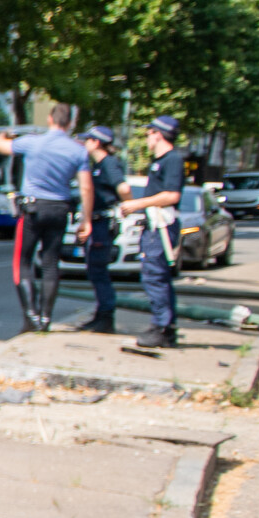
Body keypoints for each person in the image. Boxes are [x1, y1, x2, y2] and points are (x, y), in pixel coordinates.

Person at [0, 104, 91, 332]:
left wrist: (5, 134)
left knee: (23, 262)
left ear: (49, 119)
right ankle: (46, 317)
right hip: (59, 209)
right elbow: (85, 188)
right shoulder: (78, 150)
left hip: (33, 209)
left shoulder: (33, 142)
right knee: (50, 263)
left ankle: (31, 315)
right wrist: (86, 219)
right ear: (71, 123)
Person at [125, 116, 187, 346]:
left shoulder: (172, 160)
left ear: (158, 134)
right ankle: (164, 326)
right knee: (157, 277)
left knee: (155, 277)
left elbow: (172, 195)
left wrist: (137, 204)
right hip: (154, 225)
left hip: (162, 227)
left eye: (149, 133)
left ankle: (162, 328)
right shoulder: (160, 161)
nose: (147, 137)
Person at [73, 125, 129, 333]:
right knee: (95, 270)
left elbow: (124, 188)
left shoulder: (108, 164)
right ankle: (101, 314)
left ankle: (106, 316)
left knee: (99, 271)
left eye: (87, 140)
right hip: (96, 223)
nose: (85, 143)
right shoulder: (98, 164)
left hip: (101, 224)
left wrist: (129, 206)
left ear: (96, 142)